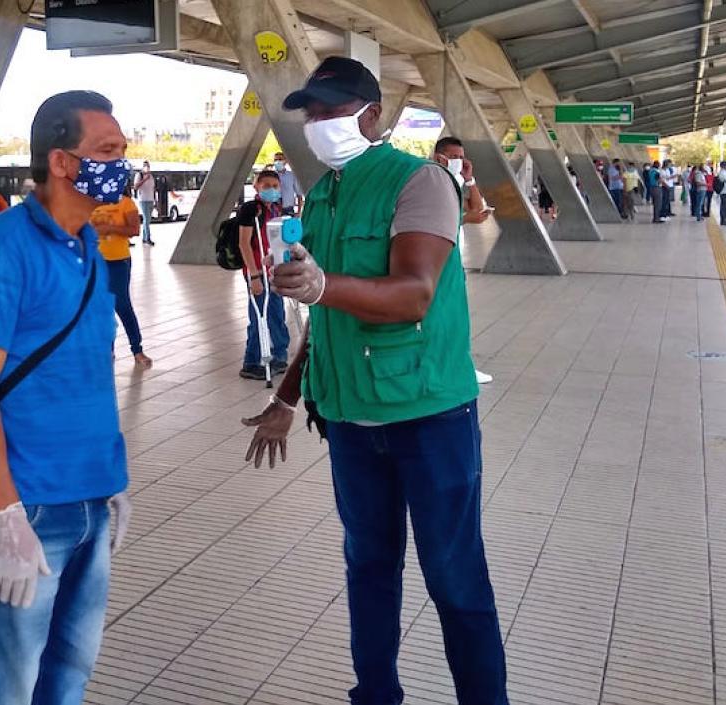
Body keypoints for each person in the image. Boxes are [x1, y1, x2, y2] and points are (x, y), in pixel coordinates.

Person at [243, 57, 509, 705]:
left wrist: (323, 285)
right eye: (311, 113)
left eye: (331, 110)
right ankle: (376, 693)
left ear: (372, 115)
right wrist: (286, 397)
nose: (318, 123)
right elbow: (324, 318)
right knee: (368, 566)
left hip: (428, 416)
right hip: (350, 422)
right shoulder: (323, 196)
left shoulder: (420, 182)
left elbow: (414, 293)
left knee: (453, 576)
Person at [0, 90, 132, 705]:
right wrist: (6, 517)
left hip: (89, 499)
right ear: (61, 161)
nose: (121, 163)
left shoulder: (89, 249)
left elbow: (89, 370)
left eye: (122, 150)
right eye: (107, 150)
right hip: (26, 507)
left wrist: (112, 478)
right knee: (2, 684)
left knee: (69, 673)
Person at [431, 137, 494, 385]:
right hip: (438, 258)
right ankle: (454, 366)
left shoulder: (454, 181)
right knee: (445, 315)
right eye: (453, 157)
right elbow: (432, 219)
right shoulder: (431, 181)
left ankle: (459, 364)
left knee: (455, 315)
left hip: (454, 255)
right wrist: (466, 219)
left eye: (461, 157)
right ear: (439, 157)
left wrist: (470, 180)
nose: (459, 161)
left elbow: (476, 207)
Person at [235, 170, 291, 381]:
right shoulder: (251, 209)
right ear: (256, 186)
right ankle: (251, 362)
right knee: (259, 316)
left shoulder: (275, 208)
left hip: (272, 269)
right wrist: (254, 276)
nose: (271, 190)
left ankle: (279, 356)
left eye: (275, 186)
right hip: (257, 271)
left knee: (276, 314)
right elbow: (244, 243)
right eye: (266, 185)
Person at [90, 185, 152, 368]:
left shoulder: (126, 203)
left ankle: (137, 349)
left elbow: (134, 230)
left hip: (118, 261)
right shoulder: (90, 202)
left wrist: (109, 228)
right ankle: (106, 350)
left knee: (122, 305)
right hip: (95, 261)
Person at [134, 161, 156, 245]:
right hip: (143, 200)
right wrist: (144, 179)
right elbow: (135, 186)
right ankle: (148, 238)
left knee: (148, 220)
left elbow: (153, 188)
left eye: (148, 166)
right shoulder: (139, 175)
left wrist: (155, 200)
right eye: (145, 166)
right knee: (146, 219)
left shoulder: (151, 176)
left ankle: (144, 237)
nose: (147, 167)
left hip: (151, 199)